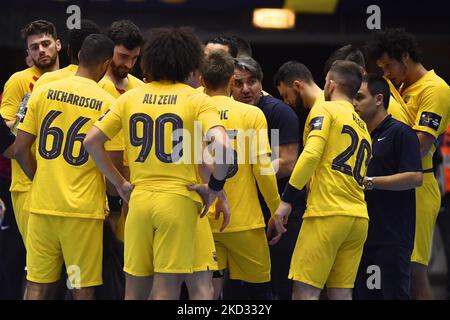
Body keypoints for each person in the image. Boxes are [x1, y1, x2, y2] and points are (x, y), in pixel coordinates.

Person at [83, 26, 233, 300]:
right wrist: (214, 187)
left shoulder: (130, 97)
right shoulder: (197, 100)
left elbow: (91, 141)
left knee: (135, 291)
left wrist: (120, 184)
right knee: (167, 290)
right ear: (190, 63)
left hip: (139, 202)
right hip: (178, 201)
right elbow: (223, 147)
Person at [14, 34, 123, 300]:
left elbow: (18, 149)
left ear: (77, 55)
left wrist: (38, 178)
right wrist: (114, 204)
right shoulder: (108, 102)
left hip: (41, 207)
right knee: (79, 284)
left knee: (37, 284)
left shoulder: (44, 90)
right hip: (81, 213)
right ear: (106, 63)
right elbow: (114, 162)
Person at [272, 60, 371, 300]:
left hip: (327, 213)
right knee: (341, 292)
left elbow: (311, 154)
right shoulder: (362, 126)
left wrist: (286, 200)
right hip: (358, 217)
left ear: (331, 84)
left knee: (304, 292)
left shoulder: (324, 110)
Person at [366, 28, 450, 299]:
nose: (386, 73)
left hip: (419, 185)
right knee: (394, 268)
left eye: (389, 65)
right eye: (381, 68)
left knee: (414, 270)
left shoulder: (435, 89)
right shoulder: (397, 87)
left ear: (405, 56)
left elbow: (420, 145)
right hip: (393, 186)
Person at [200, 51, 280, 299]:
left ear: (202, 80)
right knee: (258, 296)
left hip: (203, 220)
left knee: (205, 292)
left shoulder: (191, 110)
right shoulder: (252, 114)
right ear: (230, 82)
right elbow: (263, 169)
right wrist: (276, 210)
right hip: (245, 223)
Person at [231, 56, 301, 299]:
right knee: (235, 285)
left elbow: (289, 163)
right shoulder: (226, 112)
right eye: (238, 83)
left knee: (277, 282)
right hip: (242, 211)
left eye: (252, 82)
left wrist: (250, 172)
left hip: (280, 208)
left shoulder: (280, 113)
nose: (246, 89)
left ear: (261, 83)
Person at [353, 74, 423, 300]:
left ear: (378, 99)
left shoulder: (401, 133)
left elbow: (415, 177)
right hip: (363, 235)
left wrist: (370, 182)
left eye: (359, 97)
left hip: (392, 238)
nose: (354, 103)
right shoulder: (359, 134)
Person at [98, 19, 144, 240]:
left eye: (134, 58)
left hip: (138, 188)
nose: (128, 64)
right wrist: (114, 197)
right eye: (123, 57)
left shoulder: (142, 88)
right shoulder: (96, 87)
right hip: (103, 188)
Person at [34, 20, 100, 88]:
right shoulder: (104, 85)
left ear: (68, 51)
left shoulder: (45, 80)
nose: (41, 50)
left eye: (46, 44)